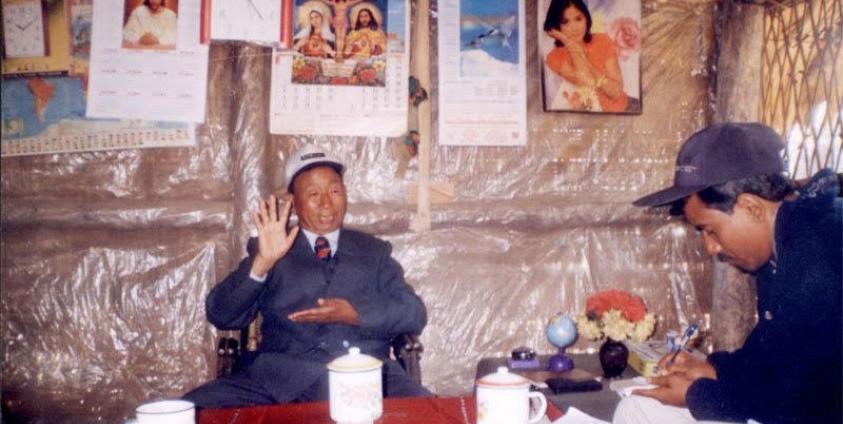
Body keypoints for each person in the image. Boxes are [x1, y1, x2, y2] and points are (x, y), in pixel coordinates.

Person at [615, 123, 842, 423]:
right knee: (638, 407)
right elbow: (776, 355)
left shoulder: (821, 253)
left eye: (710, 230)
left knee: (643, 412)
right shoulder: (785, 240)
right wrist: (715, 369)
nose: (711, 247)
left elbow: (810, 405)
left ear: (751, 207)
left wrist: (699, 394)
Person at [184, 144, 431, 407]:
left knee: (432, 413)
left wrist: (356, 313)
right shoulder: (271, 247)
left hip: (366, 375)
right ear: (293, 202)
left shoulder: (374, 251)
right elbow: (220, 313)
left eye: (334, 191)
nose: (326, 203)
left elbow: (413, 313)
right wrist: (262, 263)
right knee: (193, 410)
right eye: (313, 193)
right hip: (279, 381)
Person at [542, 0, 628, 112]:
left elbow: (616, 93)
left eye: (578, 19)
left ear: (586, 18)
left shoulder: (602, 40)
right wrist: (569, 43)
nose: (574, 27)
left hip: (624, 109)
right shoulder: (554, 57)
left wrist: (588, 64)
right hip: (590, 116)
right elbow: (588, 81)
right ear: (556, 26)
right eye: (565, 22)